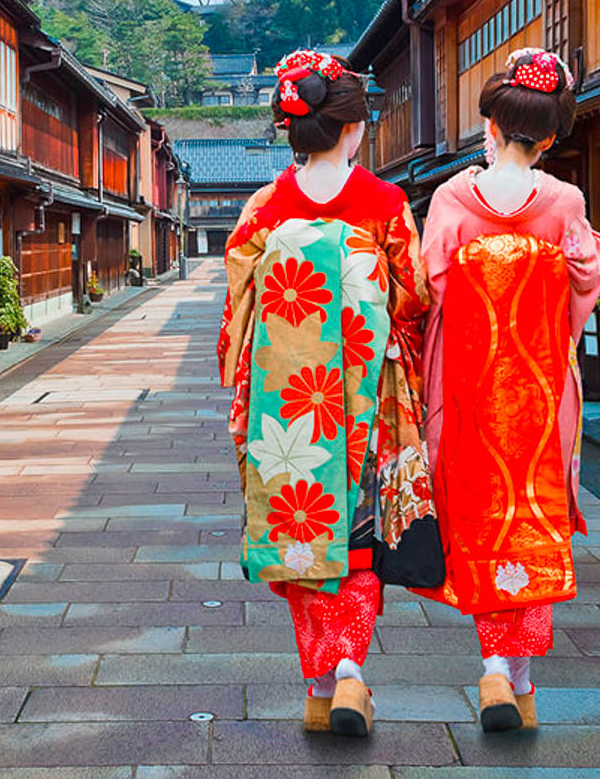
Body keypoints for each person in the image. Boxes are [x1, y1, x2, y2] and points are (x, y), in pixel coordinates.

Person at [218, 50, 440, 738]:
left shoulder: (264, 210)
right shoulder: (384, 204)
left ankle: (321, 684)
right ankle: (349, 672)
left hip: (285, 406)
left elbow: (239, 312)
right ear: (352, 130)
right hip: (364, 404)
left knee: (298, 534)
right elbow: (415, 298)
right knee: (359, 539)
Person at [418, 48, 600, 732]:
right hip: (537, 392)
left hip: (467, 390)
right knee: (532, 517)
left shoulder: (448, 199)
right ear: (551, 137)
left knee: (478, 519)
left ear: (488, 128)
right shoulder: (565, 201)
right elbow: (582, 286)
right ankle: (513, 674)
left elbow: (429, 290)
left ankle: (495, 667)